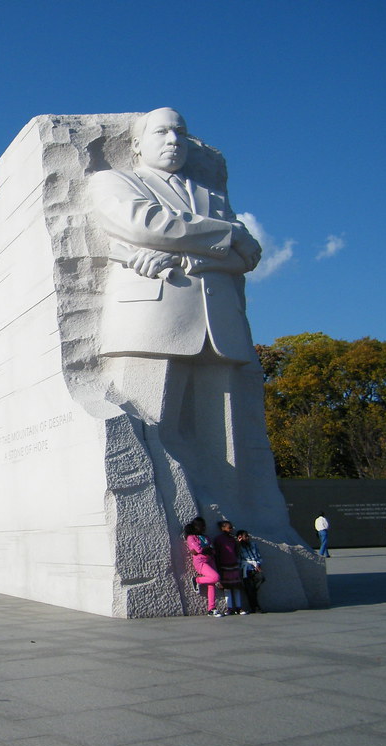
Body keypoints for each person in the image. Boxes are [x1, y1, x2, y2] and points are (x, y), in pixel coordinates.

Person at [89, 108, 263, 518]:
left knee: (224, 442)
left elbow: (249, 255)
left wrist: (208, 260)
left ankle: (232, 523)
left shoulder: (213, 198)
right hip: (152, 321)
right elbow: (147, 224)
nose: (173, 141)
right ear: (136, 144)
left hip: (219, 325)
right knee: (148, 428)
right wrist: (227, 234)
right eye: (162, 132)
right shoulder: (114, 180)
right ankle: (155, 519)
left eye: (180, 133)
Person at [183, 517, 222, 617]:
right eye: (201, 526)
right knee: (215, 577)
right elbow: (198, 549)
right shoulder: (191, 537)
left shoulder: (206, 537)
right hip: (200, 563)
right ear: (195, 527)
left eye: (204, 525)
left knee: (212, 583)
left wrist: (207, 550)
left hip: (210, 560)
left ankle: (211, 608)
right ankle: (196, 580)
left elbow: (212, 550)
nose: (203, 527)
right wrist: (206, 549)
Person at [213, 520, 245, 615]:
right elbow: (217, 553)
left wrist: (238, 543)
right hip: (224, 565)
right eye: (229, 527)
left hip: (233, 564)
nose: (231, 529)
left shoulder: (232, 539)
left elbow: (236, 551)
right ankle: (230, 608)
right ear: (222, 528)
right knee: (227, 587)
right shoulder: (218, 539)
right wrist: (218, 566)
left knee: (236, 587)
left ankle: (239, 607)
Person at [236, 529, 265, 613]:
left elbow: (258, 556)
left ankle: (253, 593)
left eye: (248, 536)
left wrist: (257, 564)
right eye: (245, 536)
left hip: (255, 568)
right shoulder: (238, 547)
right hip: (246, 570)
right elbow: (238, 559)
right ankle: (255, 607)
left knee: (261, 578)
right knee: (249, 589)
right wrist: (238, 543)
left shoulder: (253, 545)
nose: (247, 538)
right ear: (240, 537)